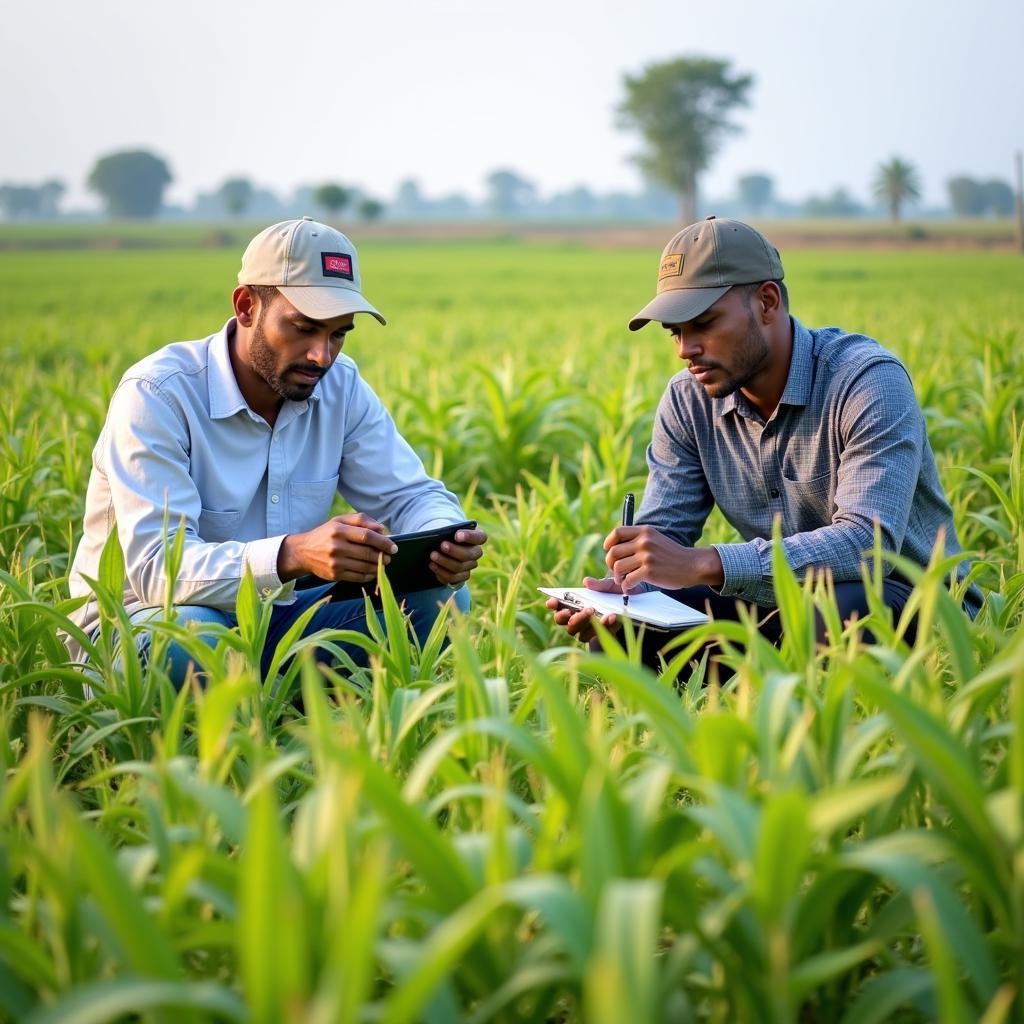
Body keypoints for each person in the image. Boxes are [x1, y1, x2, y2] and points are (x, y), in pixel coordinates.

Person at [66, 217, 487, 686]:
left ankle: (298, 711)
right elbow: (157, 570)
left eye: (338, 333)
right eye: (304, 328)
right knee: (191, 638)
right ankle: (255, 714)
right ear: (247, 306)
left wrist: (441, 540)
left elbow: (410, 496)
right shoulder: (158, 395)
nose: (321, 356)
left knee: (441, 600)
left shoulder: (340, 386)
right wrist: (292, 554)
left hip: (279, 617)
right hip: (144, 622)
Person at [548, 216, 981, 661]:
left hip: (906, 597)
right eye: (676, 331)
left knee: (827, 618)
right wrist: (628, 589)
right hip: (781, 598)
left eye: (704, 323)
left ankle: (777, 703)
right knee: (621, 635)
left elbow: (866, 546)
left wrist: (706, 562)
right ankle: (732, 713)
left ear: (767, 302)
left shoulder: (866, 382)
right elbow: (665, 534)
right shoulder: (688, 399)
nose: (684, 349)